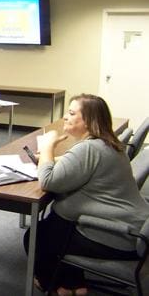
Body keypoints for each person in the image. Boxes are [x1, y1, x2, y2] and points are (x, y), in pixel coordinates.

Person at [24, 94, 149, 296]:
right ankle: (74, 285)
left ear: (90, 121)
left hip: (122, 235)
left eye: (72, 113)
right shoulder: (106, 143)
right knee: (55, 223)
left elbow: (48, 181)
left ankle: (58, 287)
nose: (65, 116)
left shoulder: (89, 149)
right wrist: (51, 158)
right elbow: (80, 165)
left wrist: (47, 147)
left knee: (36, 236)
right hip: (134, 225)